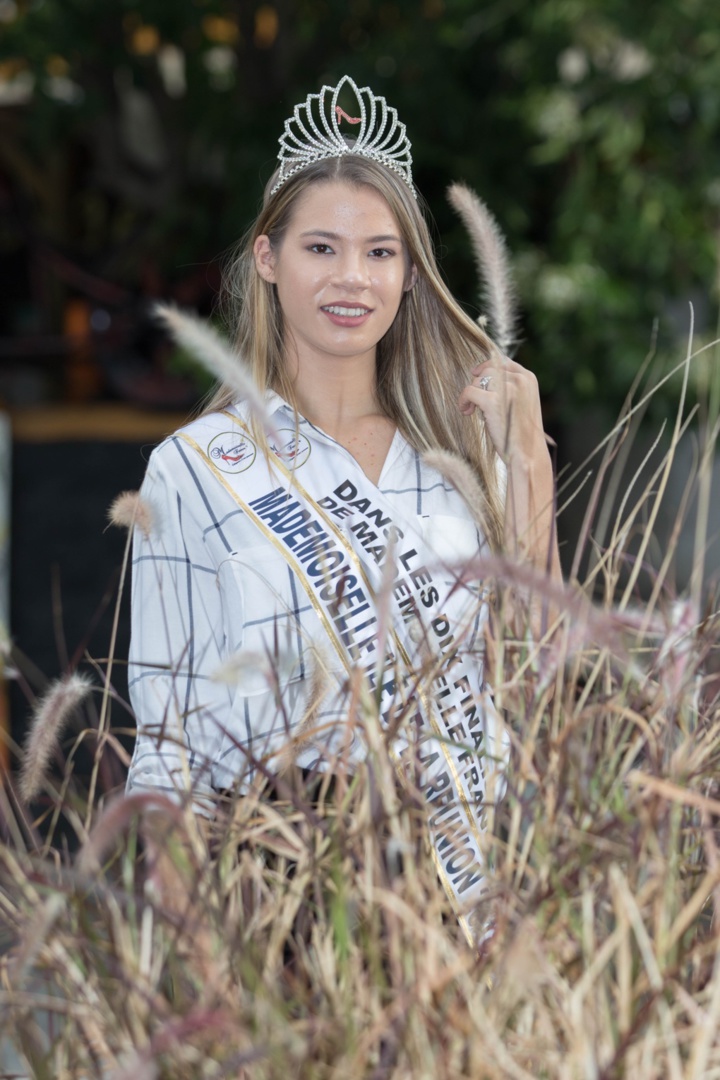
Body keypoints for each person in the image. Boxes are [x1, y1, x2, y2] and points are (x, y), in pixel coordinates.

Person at [125, 76, 561, 939]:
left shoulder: (458, 459)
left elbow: (539, 669)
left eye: (380, 252)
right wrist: (201, 976)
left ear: (408, 274)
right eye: (320, 248)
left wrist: (525, 460)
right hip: (276, 879)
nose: (351, 278)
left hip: (462, 879)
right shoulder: (197, 469)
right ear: (266, 258)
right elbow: (166, 745)